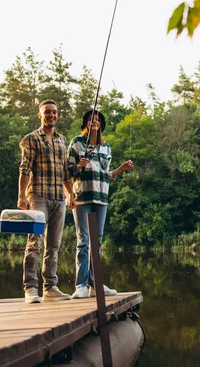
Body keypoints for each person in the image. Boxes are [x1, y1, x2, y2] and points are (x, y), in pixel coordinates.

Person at [68, 110, 133, 299]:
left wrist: (122, 168)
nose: (94, 121)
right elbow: (69, 171)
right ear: (85, 124)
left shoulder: (106, 147)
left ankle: (94, 284)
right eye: (90, 119)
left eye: (97, 119)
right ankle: (80, 285)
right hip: (82, 197)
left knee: (97, 242)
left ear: (101, 124)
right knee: (84, 241)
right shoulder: (77, 143)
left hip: (101, 198)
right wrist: (79, 166)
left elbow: (108, 175)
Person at [18, 99, 76, 304]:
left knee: (54, 246)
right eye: (47, 112)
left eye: (54, 112)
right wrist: (21, 196)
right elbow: (25, 169)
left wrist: (70, 192)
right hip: (38, 196)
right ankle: (30, 288)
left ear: (58, 116)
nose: (51, 115)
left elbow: (66, 171)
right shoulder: (31, 139)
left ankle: (50, 287)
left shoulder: (62, 140)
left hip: (59, 197)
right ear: (40, 115)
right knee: (35, 243)